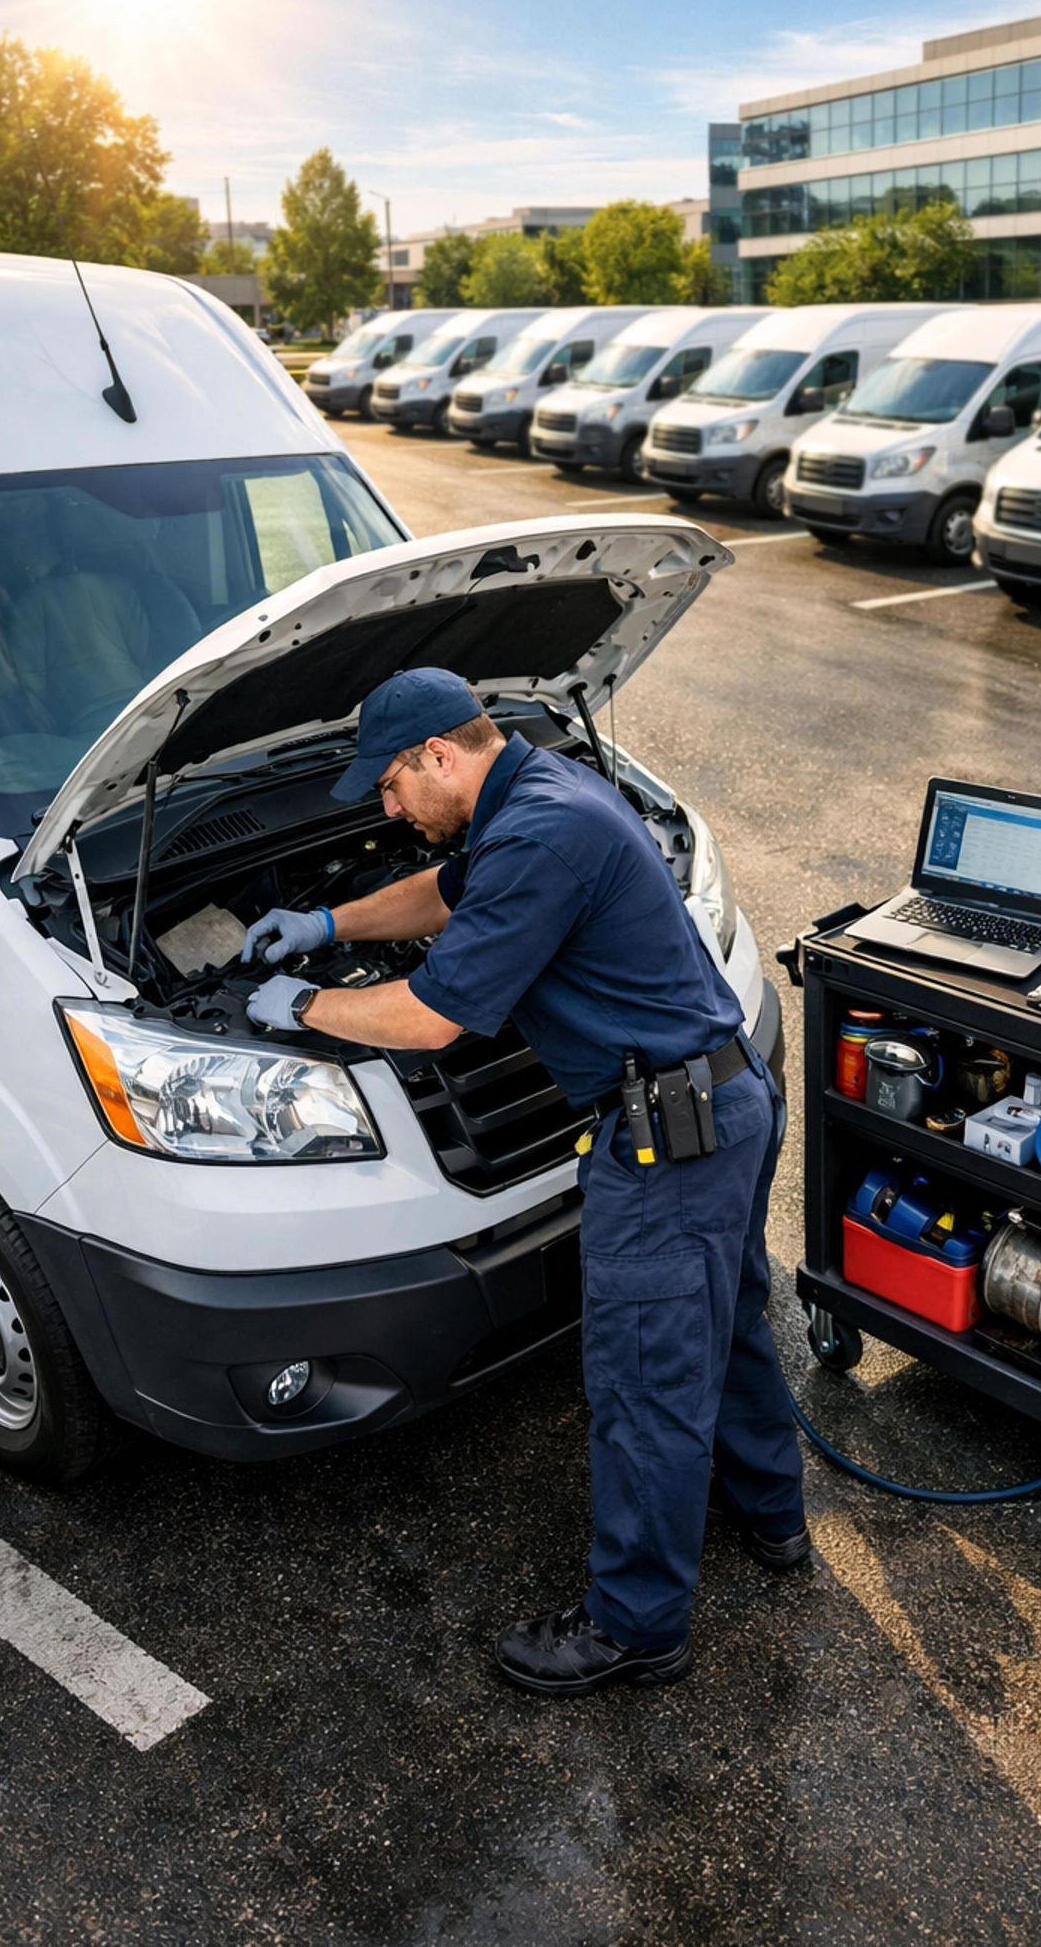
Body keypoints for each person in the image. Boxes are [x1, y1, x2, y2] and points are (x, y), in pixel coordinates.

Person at [243, 666, 806, 1695]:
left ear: (438, 756)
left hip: (670, 1145)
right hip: (721, 1105)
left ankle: (637, 1625)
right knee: (723, 1326)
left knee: (644, 1386)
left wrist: (307, 1006)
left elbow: (431, 1017)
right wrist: (328, 926)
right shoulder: (541, 792)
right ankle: (772, 1514)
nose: (388, 809)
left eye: (391, 786)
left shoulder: (540, 835)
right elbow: (443, 892)